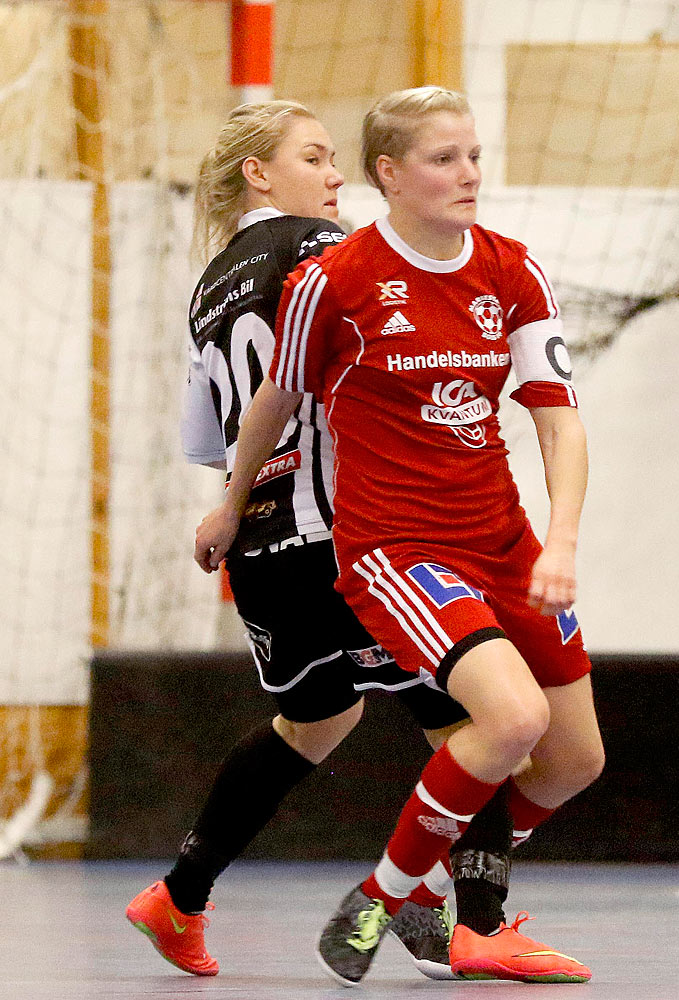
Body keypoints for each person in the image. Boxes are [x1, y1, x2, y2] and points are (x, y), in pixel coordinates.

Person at [195, 85, 605, 985]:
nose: (468, 176)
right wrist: (231, 501)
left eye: (473, 156)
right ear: (390, 174)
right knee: (511, 718)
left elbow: (558, 420)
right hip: (397, 548)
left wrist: (563, 540)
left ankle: (431, 881)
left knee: (575, 758)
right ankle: (383, 898)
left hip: (503, 540)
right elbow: (275, 399)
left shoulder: (511, 268)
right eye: (443, 159)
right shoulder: (332, 278)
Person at [124, 100, 513, 983]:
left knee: (317, 718)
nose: (337, 176)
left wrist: (232, 503)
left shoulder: (208, 284)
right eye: (318, 157)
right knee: (483, 710)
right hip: (350, 535)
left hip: (260, 541)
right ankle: (474, 924)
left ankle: (179, 898)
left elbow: (203, 439)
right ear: (260, 174)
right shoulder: (324, 251)